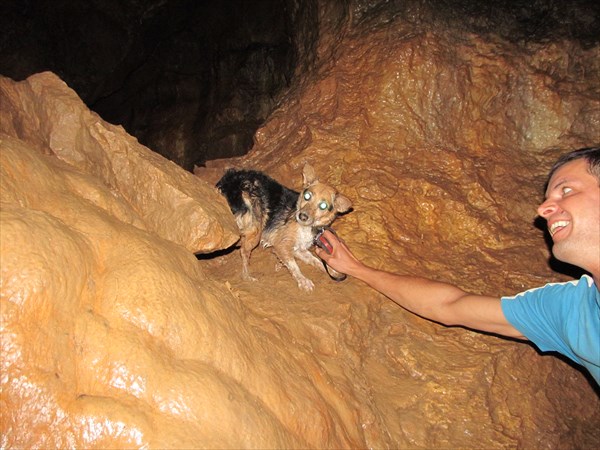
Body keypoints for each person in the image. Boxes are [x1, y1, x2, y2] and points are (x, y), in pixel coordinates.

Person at [315, 147, 600, 385]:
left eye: (566, 190)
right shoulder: (569, 312)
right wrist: (357, 268)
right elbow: (450, 306)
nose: (544, 209)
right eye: (547, 199)